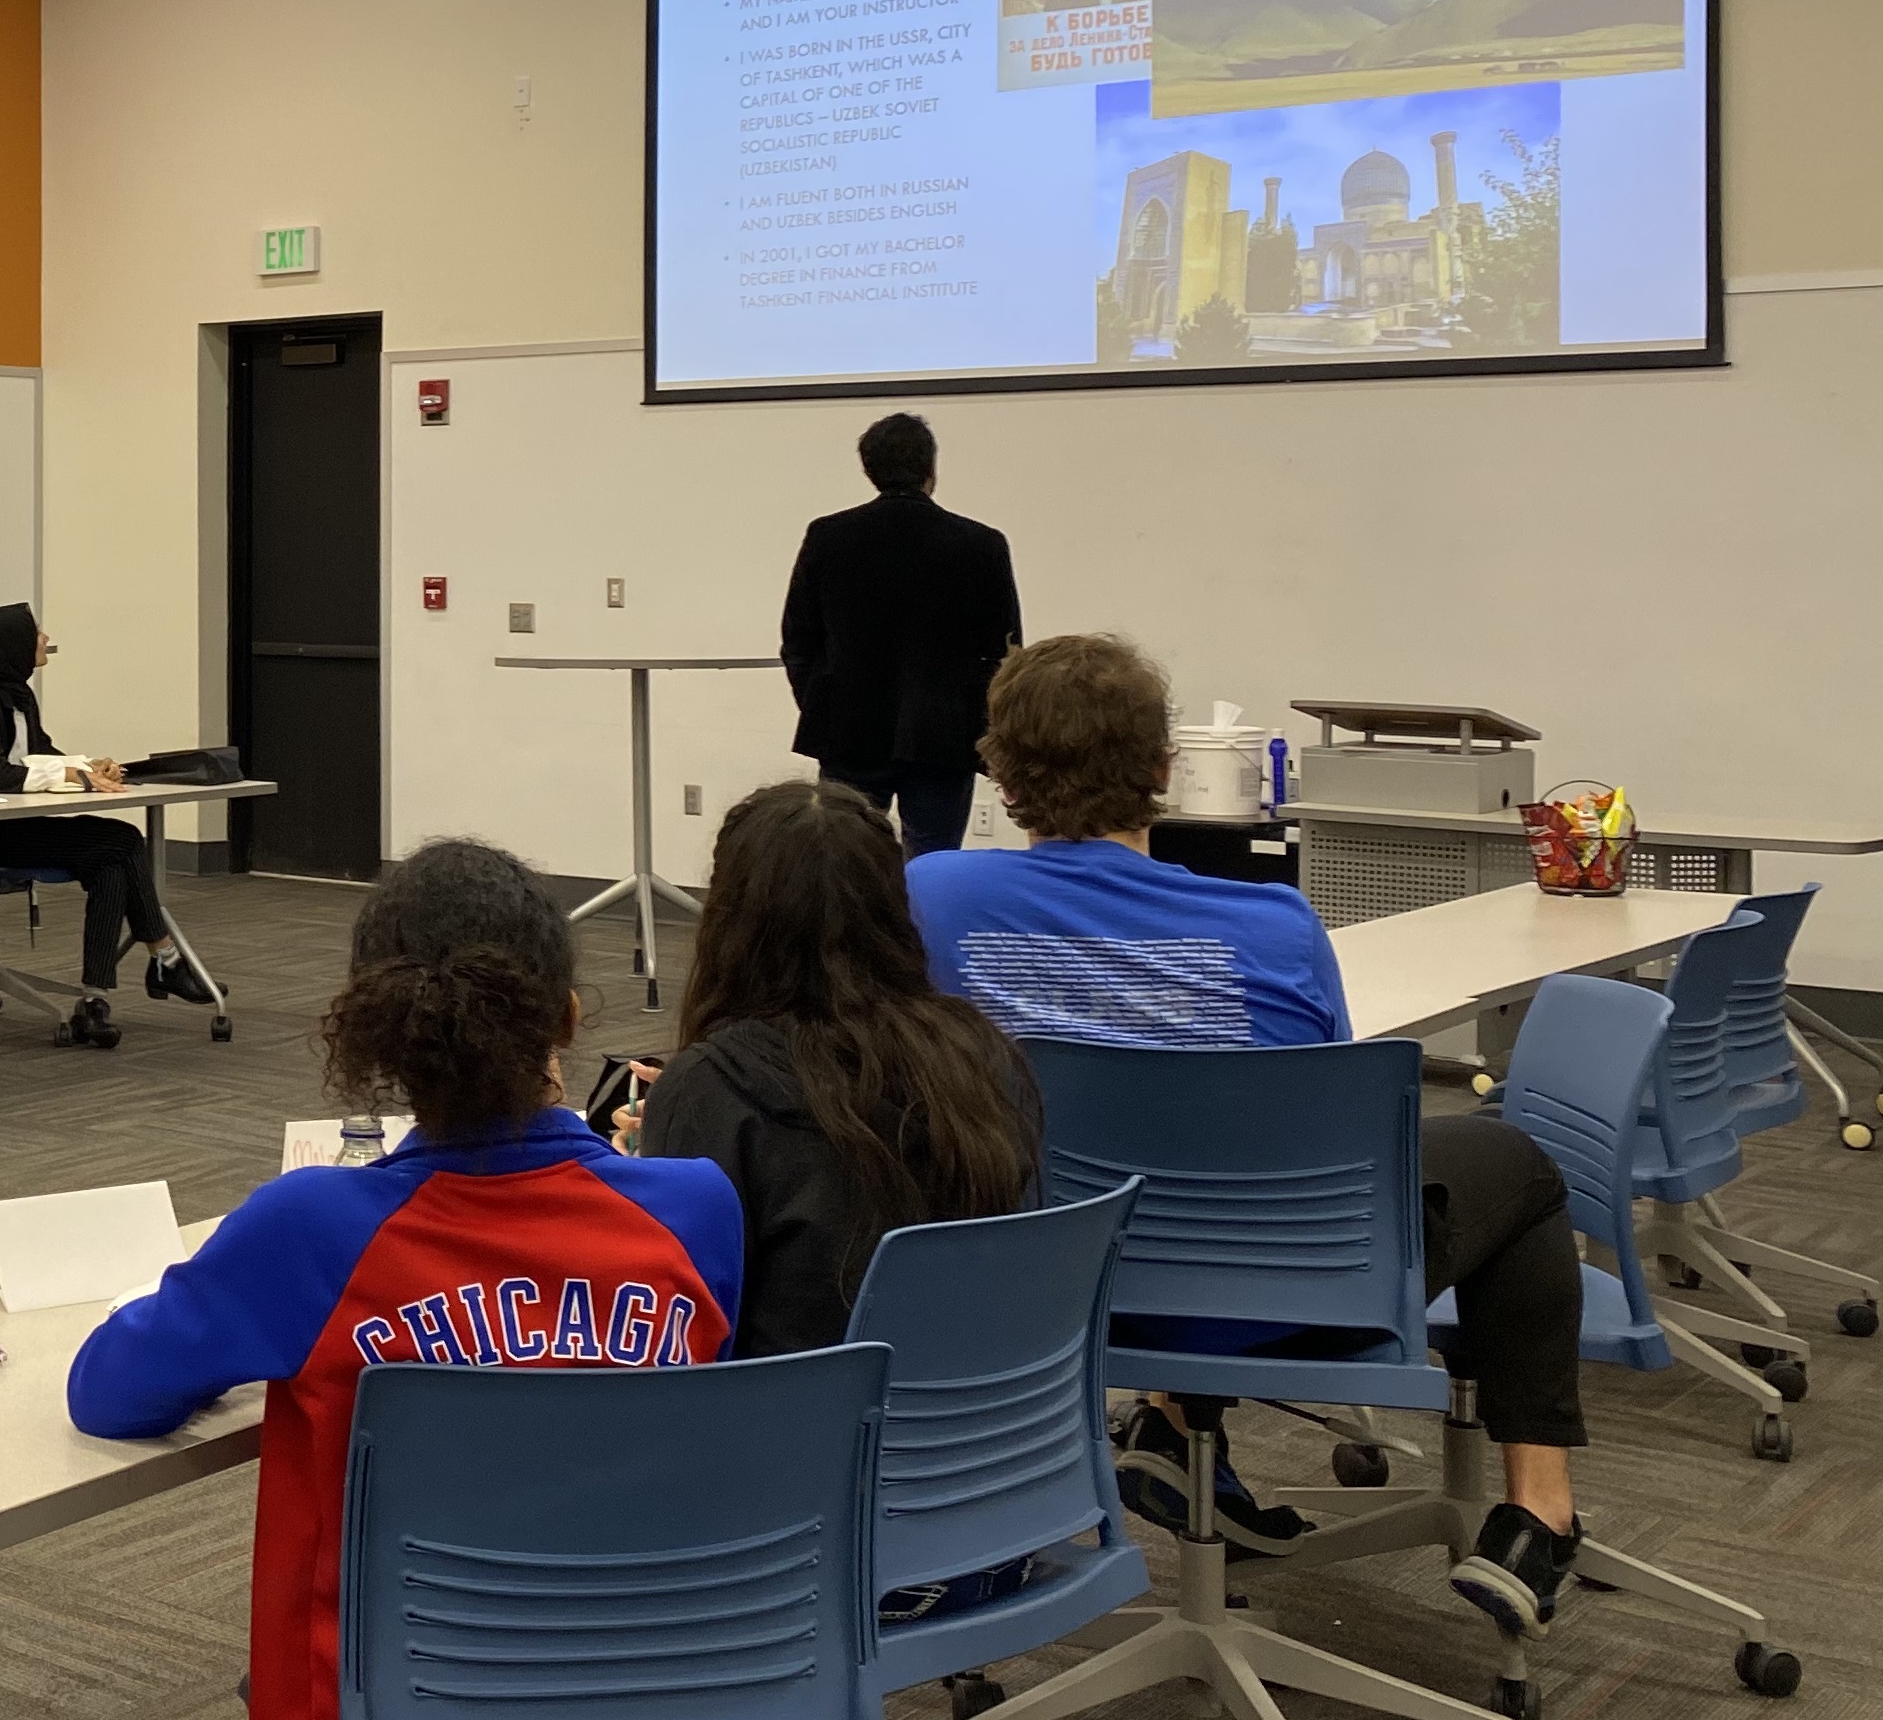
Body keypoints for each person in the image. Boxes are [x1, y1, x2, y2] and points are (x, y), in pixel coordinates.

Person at [908, 632, 1593, 1636]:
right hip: (1283, 1296)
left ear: (1002, 780)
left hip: (1049, 1296)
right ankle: (1542, 1510)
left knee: (1142, 1173)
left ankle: (1178, 1422)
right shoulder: (1274, 925)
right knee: (1519, 1163)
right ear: (1162, 770)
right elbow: (1327, 1144)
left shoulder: (930, 898)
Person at [72, 837, 745, 1720]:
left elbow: (109, 1393)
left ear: (379, 1036)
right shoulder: (696, 1209)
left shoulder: (304, 1232)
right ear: (566, 1019)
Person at [620, 776, 1041, 1358]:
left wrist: (649, 1169)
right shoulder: (980, 1058)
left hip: (789, 1432)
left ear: (729, 919)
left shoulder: (716, 1090)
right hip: (978, 1422)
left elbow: (685, 1333)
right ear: (894, 908)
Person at [0, 603, 211, 1050]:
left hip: (11, 827)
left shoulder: (18, 695)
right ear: (11, 646)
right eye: (36, 632)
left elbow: (41, 754)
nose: (44, 638)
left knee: (111, 860)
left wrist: (89, 765)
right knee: (123, 840)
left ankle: (95, 1000)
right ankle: (163, 958)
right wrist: (75, 777)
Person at [778, 412, 1021, 859]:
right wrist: (986, 728)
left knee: (845, 864)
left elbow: (797, 641)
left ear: (868, 469)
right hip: (945, 734)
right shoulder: (982, 544)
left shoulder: (828, 537)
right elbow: (1005, 653)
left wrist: (820, 701)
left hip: (848, 728)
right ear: (932, 469)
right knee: (934, 862)